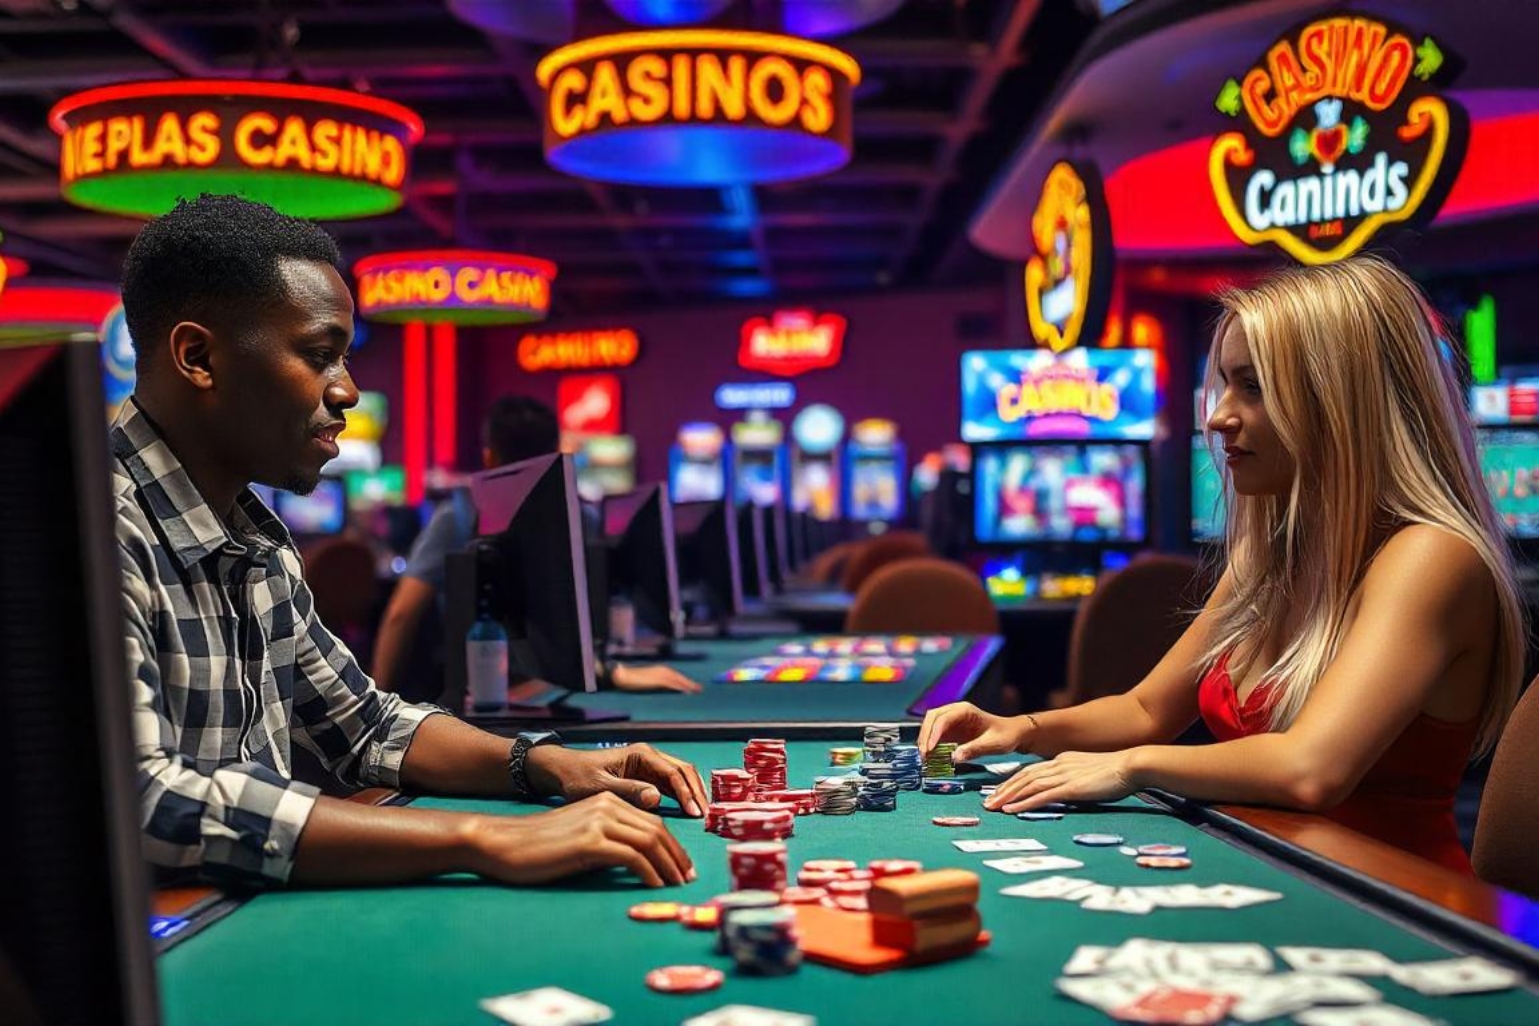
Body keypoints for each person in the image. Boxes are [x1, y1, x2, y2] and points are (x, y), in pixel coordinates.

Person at [116, 194, 707, 890]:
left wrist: (547, 764)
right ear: (198, 357)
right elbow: (145, 802)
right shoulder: (92, 533)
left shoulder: (255, 542)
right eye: (319, 355)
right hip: (146, 961)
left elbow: (366, 726)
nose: (347, 391)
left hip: (235, 920)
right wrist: (485, 838)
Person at [920, 256, 1525, 874]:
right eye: (1226, 384)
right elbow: (1147, 712)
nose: (1217, 416)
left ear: (1346, 401)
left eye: (1255, 387)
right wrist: (1019, 727)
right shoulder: (1269, 555)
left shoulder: (1431, 555)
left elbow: (1310, 770)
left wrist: (1133, 765)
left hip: (1391, 907)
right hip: (1275, 872)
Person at [369, 394, 703, 698]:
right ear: (558, 451)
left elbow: (401, 614)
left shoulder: (458, 513)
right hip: (484, 701)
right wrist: (377, 714)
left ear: (489, 456)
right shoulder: (578, 516)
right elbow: (401, 616)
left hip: (524, 692)